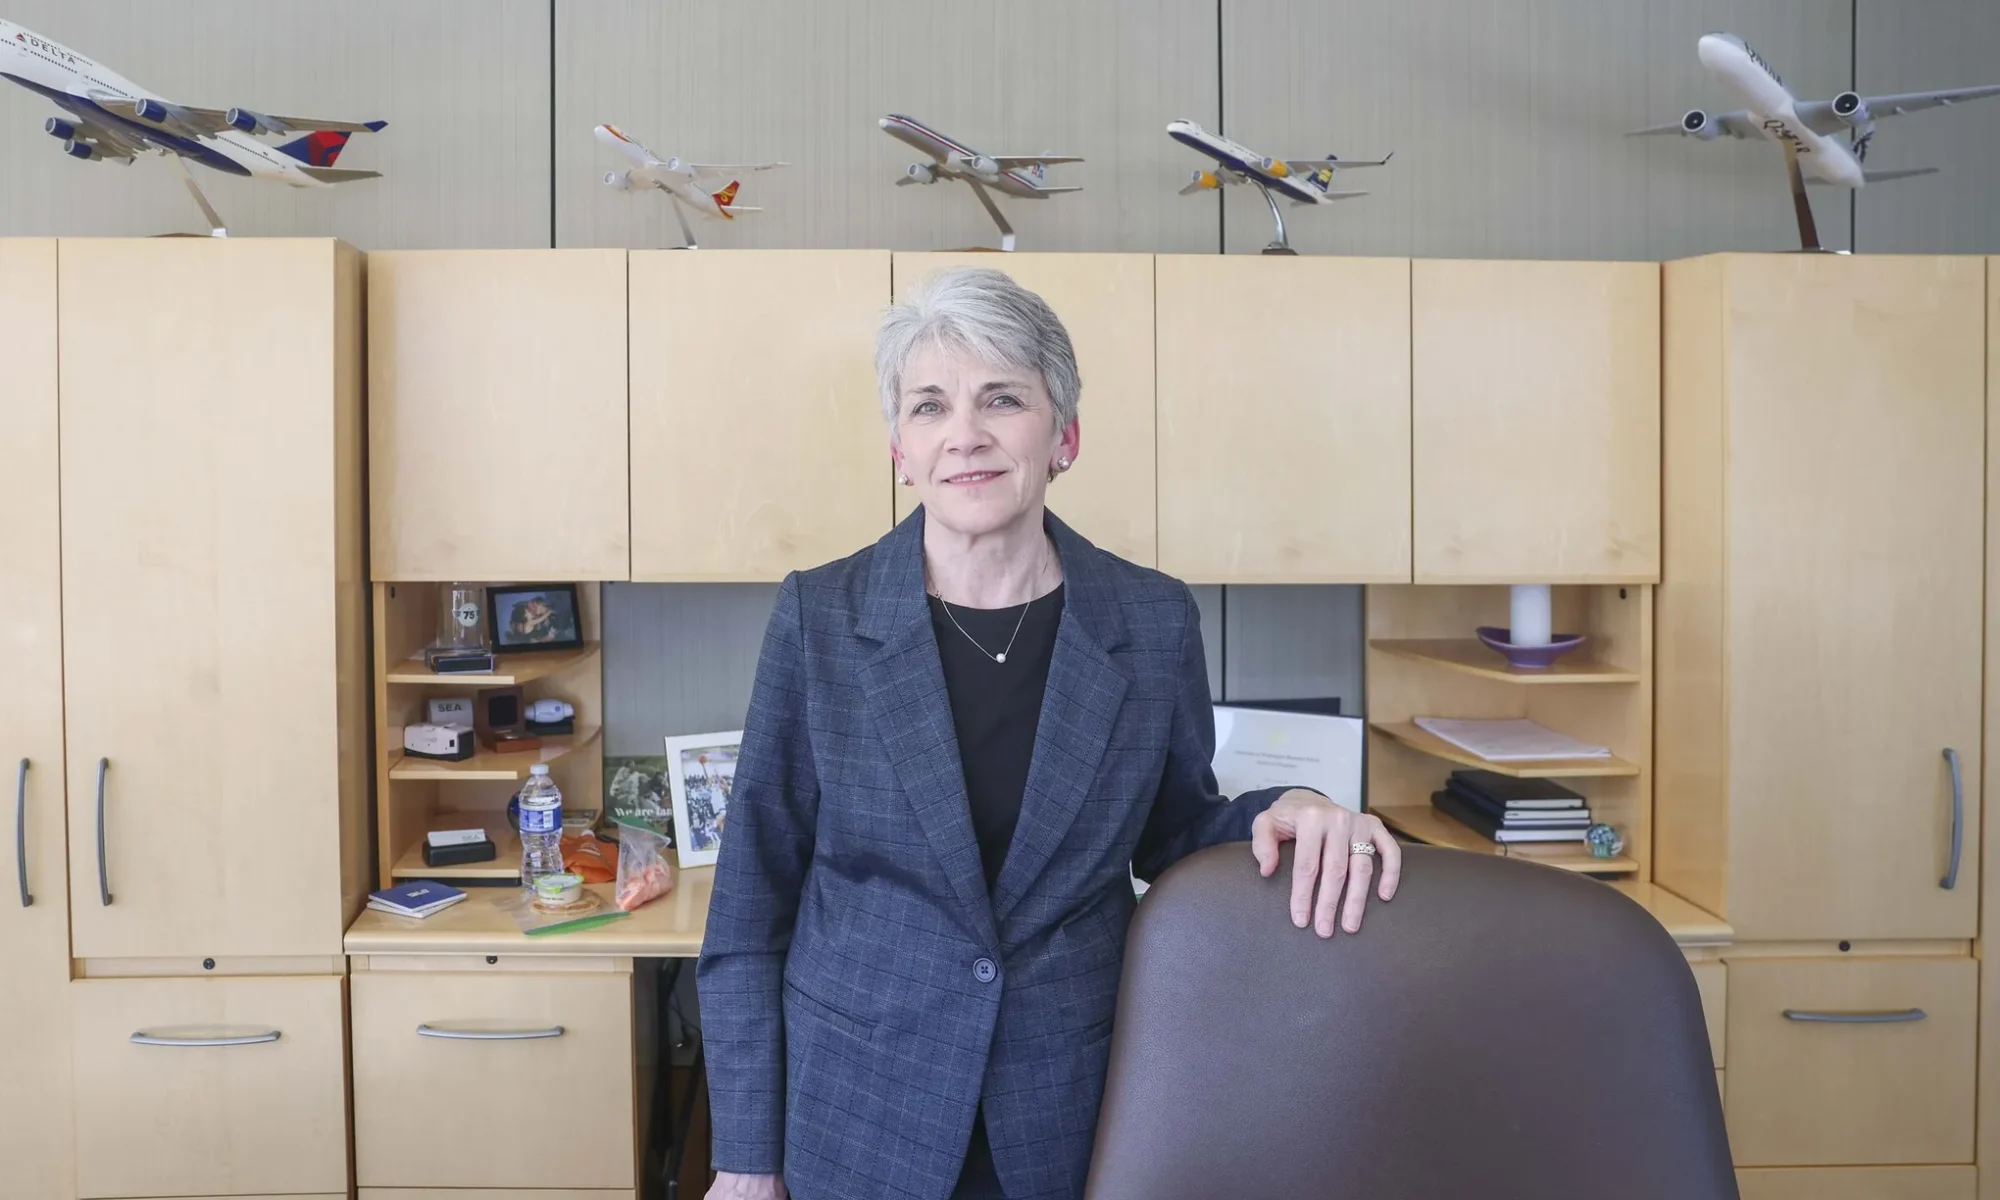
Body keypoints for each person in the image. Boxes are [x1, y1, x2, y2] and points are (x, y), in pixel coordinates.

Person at [697, 267, 1402, 1200]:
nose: (966, 435)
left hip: (1067, 1104)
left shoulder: (1150, 621)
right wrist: (746, 1160)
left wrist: (1297, 805)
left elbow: (1176, 828)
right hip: (862, 1102)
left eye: (1002, 399)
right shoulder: (819, 617)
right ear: (900, 449)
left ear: (1063, 435)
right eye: (930, 407)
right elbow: (751, 902)